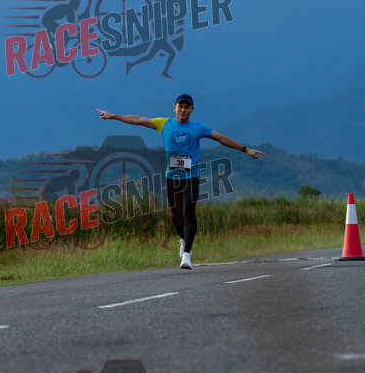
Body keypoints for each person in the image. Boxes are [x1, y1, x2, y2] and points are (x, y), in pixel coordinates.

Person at [96, 93, 265, 269]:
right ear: (174, 108)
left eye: (186, 107)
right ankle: (183, 239)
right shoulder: (164, 124)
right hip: (172, 178)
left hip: (192, 177)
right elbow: (137, 120)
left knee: (189, 211)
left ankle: (186, 255)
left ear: (192, 110)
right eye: (180, 106)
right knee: (176, 216)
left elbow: (221, 138)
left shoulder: (198, 127)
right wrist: (112, 116)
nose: (183, 110)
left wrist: (245, 149)